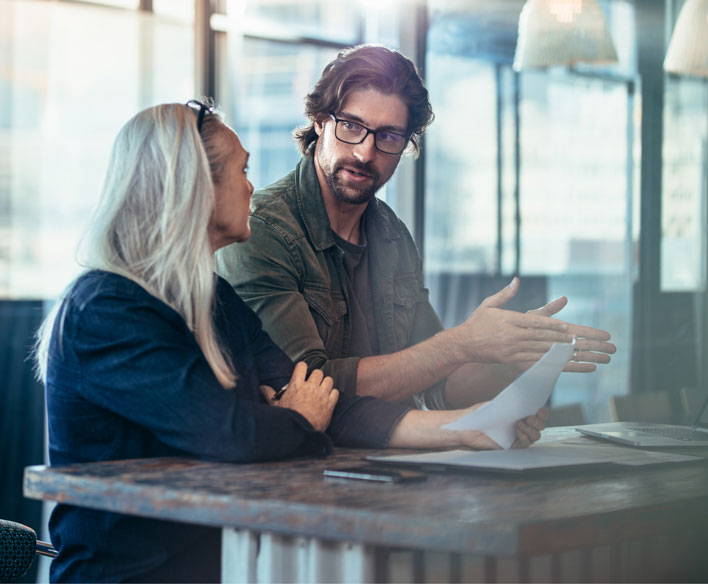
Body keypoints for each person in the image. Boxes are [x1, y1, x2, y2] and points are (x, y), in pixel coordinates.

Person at [34, 101, 546, 583]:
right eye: (240, 171)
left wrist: (471, 427)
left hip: (224, 566)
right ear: (194, 186)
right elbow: (231, 433)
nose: (252, 187)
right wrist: (297, 417)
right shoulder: (106, 309)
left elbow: (328, 401)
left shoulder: (215, 299)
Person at [216, 44, 617, 410]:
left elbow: (437, 384)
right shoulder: (262, 229)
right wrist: (461, 343)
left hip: (390, 465)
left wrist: (511, 354)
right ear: (320, 122)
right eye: (351, 126)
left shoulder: (392, 236)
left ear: (406, 145)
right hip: (296, 469)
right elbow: (305, 387)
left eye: (388, 136)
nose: (364, 152)